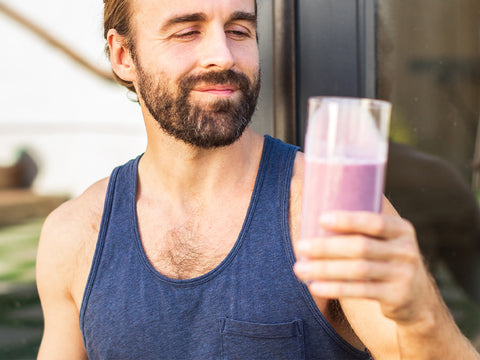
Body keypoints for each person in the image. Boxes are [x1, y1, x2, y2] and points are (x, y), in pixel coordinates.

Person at [36, 0, 480, 358]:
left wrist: (421, 313)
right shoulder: (75, 233)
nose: (223, 56)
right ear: (122, 55)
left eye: (239, 30)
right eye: (187, 30)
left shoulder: (326, 206)